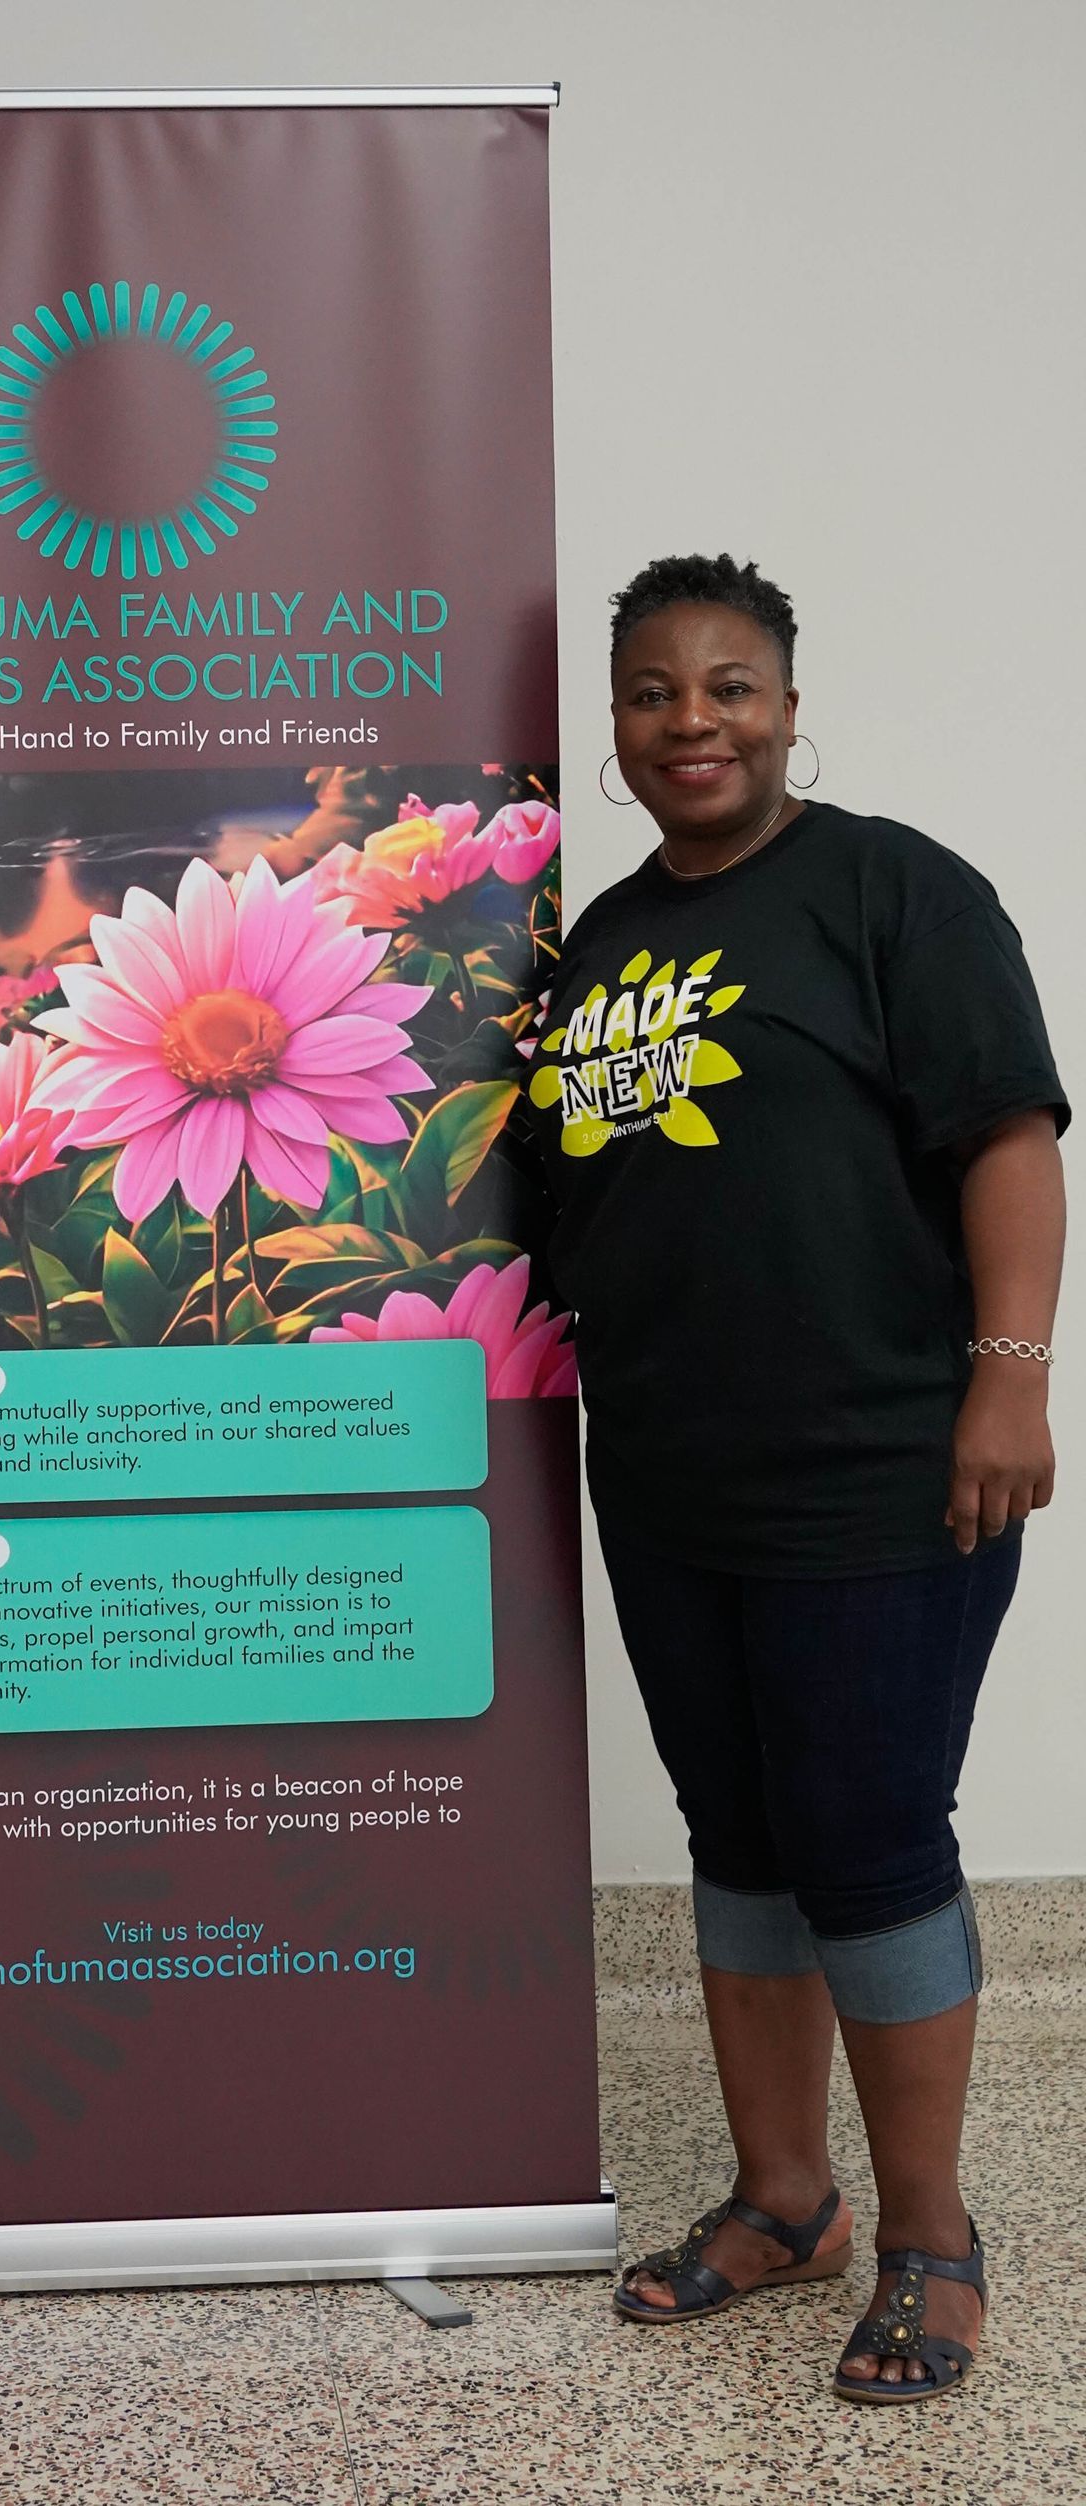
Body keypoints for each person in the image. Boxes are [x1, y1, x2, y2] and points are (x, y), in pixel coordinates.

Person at [529, 554, 1066, 2405]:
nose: (695, 722)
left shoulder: (894, 888)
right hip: (668, 1469)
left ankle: (929, 2230)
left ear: (787, 700)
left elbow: (1006, 1133)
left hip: (880, 1466)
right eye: (657, 693)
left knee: (868, 1839)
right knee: (738, 1840)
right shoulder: (597, 940)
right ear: (615, 726)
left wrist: (1008, 1380)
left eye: (731, 686)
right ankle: (785, 2197)